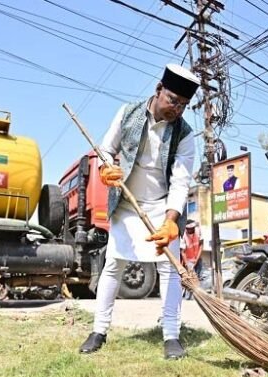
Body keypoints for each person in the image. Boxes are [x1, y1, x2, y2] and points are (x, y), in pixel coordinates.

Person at [79, 64, 199, 360]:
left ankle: (171, 335)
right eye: (173, 100)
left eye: (184, 105)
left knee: (169, 270)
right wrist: (106, 169)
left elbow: (182, 180)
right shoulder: (127, 113)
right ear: (159, 89)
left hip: (162, 206)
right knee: (113, 265)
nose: (177, 109)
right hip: (126, 203)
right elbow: (106, 149)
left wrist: (171, 220)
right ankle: (99, 330)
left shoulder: (185, 134)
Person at [180, 219, 203, 299]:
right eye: (189, 228)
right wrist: (187, 264)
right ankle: (187, 297)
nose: (191, 230)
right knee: (190, 278)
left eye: (192, 228)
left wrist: (197, 259)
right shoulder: (183, 236)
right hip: (189, 261)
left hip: (198, 259)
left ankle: (197, 297)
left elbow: (201, 245)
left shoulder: (198, 231)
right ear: (186, 228)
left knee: (198, 277)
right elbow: (182, 252)